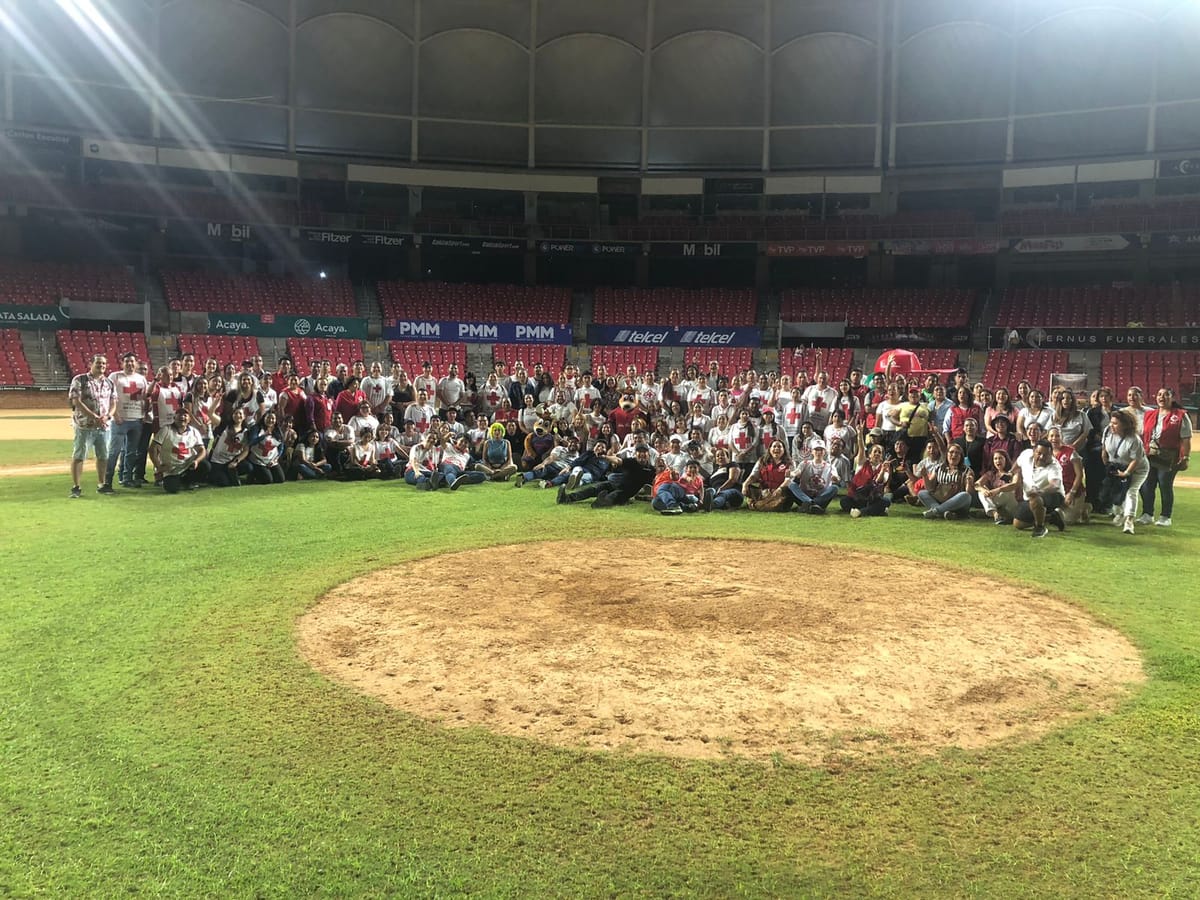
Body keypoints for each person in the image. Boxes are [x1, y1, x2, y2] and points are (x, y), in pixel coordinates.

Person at [1137, 387, 1190, 528]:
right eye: (1159, 394)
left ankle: (1166, 516)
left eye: (1165, 395)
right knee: (1147, 485)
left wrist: (1185, 457)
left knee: (1165, 485)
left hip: (1169, 456)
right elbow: (1143, 434)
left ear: (1172, 398)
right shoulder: (1150, 414)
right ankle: (1147, 514)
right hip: (1149, 454)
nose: (1161, 397)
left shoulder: (1180, 415)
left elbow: (1186, 439)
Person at [68, 353, 116, 498]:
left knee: (103, 456)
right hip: (84, 426)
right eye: (98, 363)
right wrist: (94, 417)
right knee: (79, 456)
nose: (101, 366)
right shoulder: (80, 380)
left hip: (104, 426)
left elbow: (114, 402)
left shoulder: (109, 382)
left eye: (103, 364)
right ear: (91, 364)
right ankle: (76, 486)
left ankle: (101, 484)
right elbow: (76, 401)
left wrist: (108, 416)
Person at [557, 444, 656, 508]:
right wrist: (605, 457)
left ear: (648, 455)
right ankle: (566, 498)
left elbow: (653, 485)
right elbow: (618, 460)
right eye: (639, 452)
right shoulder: (631, 461)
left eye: (644, 452)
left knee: (613, 496)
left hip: (625, 492)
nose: (642, 455)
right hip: (614, 484)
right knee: (592, 489)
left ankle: (602, 502)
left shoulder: (651, 470)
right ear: (636, 453)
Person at [1101, 407, 1149, 534]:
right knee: (1114, 493)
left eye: (1115, 423)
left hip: (1137, 469)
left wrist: (1126, 473)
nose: (1112, 425)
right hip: (1117, 466)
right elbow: (1104, 446)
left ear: (1125, 425)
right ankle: (1120, 512)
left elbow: (1136, 460)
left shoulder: (1134, 439)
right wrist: (1105, 457)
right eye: (1111, 422)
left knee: (1131, 491)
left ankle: (1129, 521)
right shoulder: (1108, 431)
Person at [105, 351, 147, 490]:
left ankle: (127, 478)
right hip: (120, 420)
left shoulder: (141, 378)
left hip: (137, 419)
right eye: (127, 361)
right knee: (114, 451)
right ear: (122, 363)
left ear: (136, 363)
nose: (129, 363)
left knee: (131, 452)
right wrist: (115, 414)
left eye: (132, 361)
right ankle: (107, 480)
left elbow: (144, 399)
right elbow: (109, 397)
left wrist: (144, 414)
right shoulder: (115, 376)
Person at [1010, 440, 1065, 538]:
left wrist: (1040, 491)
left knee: (1036, 499)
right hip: (1030, 497)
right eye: (1039, 453)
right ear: (1034, 451)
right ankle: (1051, 517)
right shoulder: (1026, 455)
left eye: (1046, 455)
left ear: (1051, 454)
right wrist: (1010, 473)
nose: (1042, 457)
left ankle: (1040, 527)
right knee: (1017, 524)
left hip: (1053, 495)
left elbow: (1055, 485)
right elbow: (1017, 465)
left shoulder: (1054, 466)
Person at [149, 407, 208, 493]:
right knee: (172, 488)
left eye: (185, 415)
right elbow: (153, 448)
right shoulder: (166, 430)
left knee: (205, 466)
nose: (182, 417)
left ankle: (187, 482)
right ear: (174, 417)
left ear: (189, 419)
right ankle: (174, 480)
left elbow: (202, 450)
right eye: (179, 415)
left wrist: (196, 461)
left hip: (187, 465)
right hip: (171, 468)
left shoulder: (194, 432)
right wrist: (158, 466)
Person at [917, 443, 975, 520]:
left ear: (961, 456)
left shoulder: (967, 471)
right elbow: (930, 488)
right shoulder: (938, 468)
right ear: (947, 454)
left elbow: (969, 493)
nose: (954, 455)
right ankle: (944, 512)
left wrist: (969, 483)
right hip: (941, 499)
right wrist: (925, 476)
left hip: (957, 503)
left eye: (957, 453)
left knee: (965, 496)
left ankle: (936, 511)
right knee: (922, 493)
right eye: (951, 452)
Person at [787, 439, 840, 513]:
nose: (819, 452)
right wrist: (792, 474)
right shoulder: (804, 463)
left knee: (835, 488)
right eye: (816, 450)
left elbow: (836, 477)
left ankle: (809, 505)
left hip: (821, 497)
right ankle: (812, 504)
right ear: (812, 451)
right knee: (791, 484)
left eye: (821, 450)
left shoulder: (830, 467)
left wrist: (835, 478)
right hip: (804, 496)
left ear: (824, 452)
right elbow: (796, 472)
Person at [742, 439, 796, 512]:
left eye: (779, 447)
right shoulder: (762, 461)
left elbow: (790, 480)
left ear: (784, 450)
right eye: (774, 446)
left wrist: (779, 490)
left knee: (779, 502)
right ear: (770, 449)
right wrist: (745, 484)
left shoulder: (790, 463)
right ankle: (762, 504)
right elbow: (753, 476)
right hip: (764, 491)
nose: (776, 448)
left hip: (780, 493)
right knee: (749, 487)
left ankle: (756, 505)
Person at [208, 406, 251, 487]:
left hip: (232, 461)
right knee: (224, 483)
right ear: (232, 415)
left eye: (240, 413)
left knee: (248, 467)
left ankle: (231, 473)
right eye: (235, 413)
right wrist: (216, 403)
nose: (238, 415)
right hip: (217, 461)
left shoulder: (246, 432)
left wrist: (236, 461)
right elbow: (210, 413)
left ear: (244, 416)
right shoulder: (224, 425)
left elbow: (246, 450)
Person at [976, 449, 1019, 525]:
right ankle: (995, 514)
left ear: (1006, 459)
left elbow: (1015, 484)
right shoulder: (991, 474)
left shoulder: (1013, 472)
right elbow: (977, 484)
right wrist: (983, 490)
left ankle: (994, 513)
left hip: (1011, 504)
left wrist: (999, 489)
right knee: (981, 491)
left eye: (1000, 458)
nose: (998, 461)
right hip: (997, 503)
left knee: (1008, 490)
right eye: (995, 459)